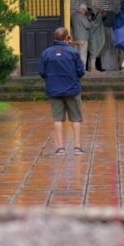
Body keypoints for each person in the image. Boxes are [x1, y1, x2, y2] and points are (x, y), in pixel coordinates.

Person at [39, 26, 86, 156]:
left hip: (54, 90)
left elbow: (42, 73)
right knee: (76, 118)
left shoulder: (46, 53)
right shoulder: (73, 52)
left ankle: (60, 148)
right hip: (72, 90)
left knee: (57, 119)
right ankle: (77, 147)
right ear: (67, 38)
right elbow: (81, 72)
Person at [70, 3, 97, 74]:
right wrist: (92, 22)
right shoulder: (82, 16)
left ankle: (76, 69)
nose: (85, 12)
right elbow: (87, 26)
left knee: (76, 55)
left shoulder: (73, 15)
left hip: (75, 38)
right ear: (82, 9)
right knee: (83, 55)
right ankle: (82, 70)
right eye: (85, 11)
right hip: (83, 39)